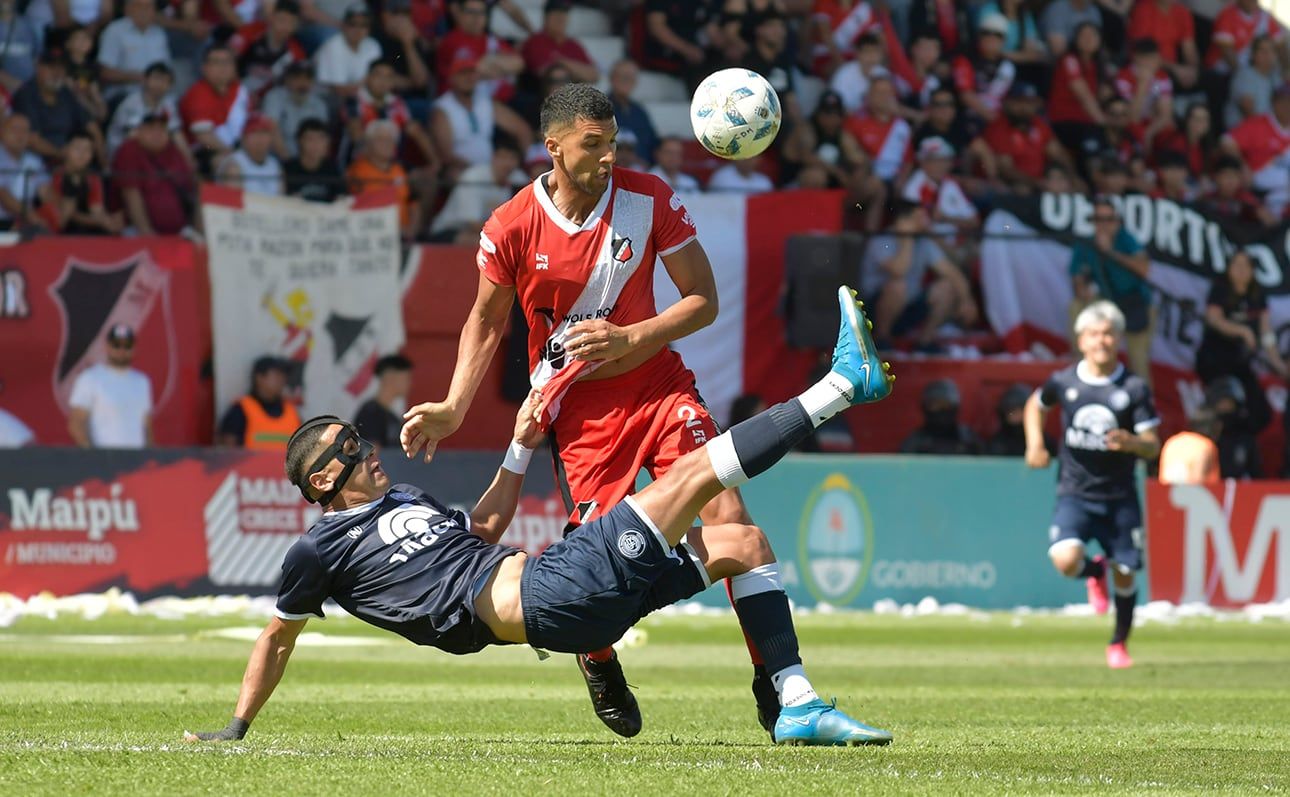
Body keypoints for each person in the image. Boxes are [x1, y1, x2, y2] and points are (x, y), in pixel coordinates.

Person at [185, 288, 897, 747]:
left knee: (743, 540)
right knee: (691, 476)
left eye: (360, 439)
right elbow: (277, 638)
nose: (368, 451)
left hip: (561, 595)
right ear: (322, 480)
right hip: (553, 594)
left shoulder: (405, 501)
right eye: (350, 449)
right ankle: (840, 386)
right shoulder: (319, 548)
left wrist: (522, 442)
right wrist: (237, 726)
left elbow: (482, 532)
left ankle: (793, 700)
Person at [400, 83, 810, 741]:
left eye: (613, 142)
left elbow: (703, 299)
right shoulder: (510, 225)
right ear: (553, 147)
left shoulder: (649, 198)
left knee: (730, 517)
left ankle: (777, 681)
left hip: (660, 387)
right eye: (593, 144)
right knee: (595, 566)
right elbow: (485, 320)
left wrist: (631, 337)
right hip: (580, 411)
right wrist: (453, 406)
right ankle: (596, 656)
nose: (608, 156)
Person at [1023, 300, 1160, 669]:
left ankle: (1118, 644)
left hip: (1120, 497)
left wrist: (1132, 443)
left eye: (1108, 334)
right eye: (1094, 334)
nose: (1102, 341)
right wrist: (1035, 443)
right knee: (1065, 560)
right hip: (1075, 492)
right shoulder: (1064, 381)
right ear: (1081, 340)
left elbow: (1153, 445)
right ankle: (1093, 571)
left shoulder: (1133, 388)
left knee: (1126, 574)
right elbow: (1036, 405)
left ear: (1118, 339)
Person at [860, 201, 978, 352]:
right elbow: (899, 271)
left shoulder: (923, 241)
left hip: (910, 307)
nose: (925, 222)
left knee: (947, 287)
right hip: (875, 312)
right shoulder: (881, 241)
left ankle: (924, 342)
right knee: (897, 286)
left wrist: (966, 300)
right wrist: (906, 239)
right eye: (919, 217)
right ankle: (881, 340)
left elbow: (952, 273)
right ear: (903, 221)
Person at [1068, 197, 1153, 387]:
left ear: (1117, 221)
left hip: (1135, 304)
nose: (1104, 224)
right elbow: (1077, 280)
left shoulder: (1126, 239)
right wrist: (1083, 290)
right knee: (1076, 307)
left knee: (1138, 359)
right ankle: (1080, 373)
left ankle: (1143, 399)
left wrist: (1110, 252)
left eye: (1109, 219)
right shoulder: (1086, 244)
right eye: (1099, 219)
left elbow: (1144, 269)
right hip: (1106, 305)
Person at [430, 54, 532, 183]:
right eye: (463, 73)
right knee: (464, 177)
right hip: (462, 169)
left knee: (521, 180)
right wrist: (478, 169)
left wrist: (520, 162)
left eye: (472, 73)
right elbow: (445, 154)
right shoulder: (443, 108)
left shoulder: (485, 102)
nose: (468, 78)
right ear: (452, 78)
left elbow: (522, 130)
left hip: (493, 168)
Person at [67, 324, 153, 449]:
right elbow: (76, 424)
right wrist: (94, 456)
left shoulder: (142, 382)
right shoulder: (90, 378)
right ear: (107, 347)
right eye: (116, 345)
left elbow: (147, 427)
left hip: (137, 459)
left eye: (127, 346)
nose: (121, 350)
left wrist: (149, 456)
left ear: (134, 348)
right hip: (105, 458)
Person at [110, 112, 196, 236]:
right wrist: (147, 233)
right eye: (150, 128)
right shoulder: (129, 149)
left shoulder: (173, 151)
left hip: (180, 233)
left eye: (162, 129)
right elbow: (131, 194)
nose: (157, 133)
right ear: (138, 132)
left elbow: (192, 188)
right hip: (139, 233)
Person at [11, 51, 103, 163]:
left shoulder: (66, 93)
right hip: (37, 160)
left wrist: (105, 166)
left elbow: (93, 129)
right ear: (38, 67)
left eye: (61, 68)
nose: (57, 73)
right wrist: (61, 155)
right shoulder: (26, 94)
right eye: (51, 67)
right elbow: (32, 139)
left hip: (72, 158)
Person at [983, 82, 1072, 194]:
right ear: (1008, 103)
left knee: (1070, 187)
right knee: (1022, 190)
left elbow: (1058, 154)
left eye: (1029, 102)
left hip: (1043, 183)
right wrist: (1037, 183)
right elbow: (1006, 170)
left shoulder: (1038, 124)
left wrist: (1073, 178)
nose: (1024, 107)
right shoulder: (999, 128)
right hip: (1013, 185)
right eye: (1019, 102)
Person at [429, 141, 525, 243]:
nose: (507, 163)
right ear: (493, 158)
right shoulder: (473, 178)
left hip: (489, 232)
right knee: (487, 243)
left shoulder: (518, 178)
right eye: (503, 157)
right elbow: (473, 225)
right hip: (449, 230)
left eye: (512, 158)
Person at [1220, 84, 1290, 220]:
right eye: (1284, 102)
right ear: (1274, 103)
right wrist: (1243, 166)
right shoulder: (1258, 124)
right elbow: (1226, 142)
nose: (1287, 107)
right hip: (1260, 191)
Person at [179, 45, 250, 167]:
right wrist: (234, 154)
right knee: (232, 166)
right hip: (206, 150)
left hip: (238, 147)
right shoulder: (197, 94)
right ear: (204, 68)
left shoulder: (239, 89)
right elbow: (204, 138)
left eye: (227, 62)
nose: (223, 67)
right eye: (216, 62)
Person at [347, 119, 420, 237]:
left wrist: (411, 230)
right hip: (371, 235)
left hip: (403, 236)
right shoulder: (357, 171)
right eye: (380, 139)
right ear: (368, 144)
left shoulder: (402, 170)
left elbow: (414, 204)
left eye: (390, 140)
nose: (387, 144)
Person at [39, 130, 120, 234]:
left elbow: (97, 209)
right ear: (66, 150)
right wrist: (101, 222)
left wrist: (109, 221)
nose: (82, 154)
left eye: (87, 150)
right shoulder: (54, 175)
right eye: (77, 148)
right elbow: (67, 213)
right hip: (57, 231)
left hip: (86, 232)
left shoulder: (93, 178)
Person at [217, 356, 302, 450]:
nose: (282, 380)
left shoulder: (292, 412)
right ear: (259, 378)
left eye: (284, 376)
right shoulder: (240, 411)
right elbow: (227, 452)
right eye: (277, 375)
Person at [95, 0, 171, 102]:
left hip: (157, 97)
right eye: (139, 6)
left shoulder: (159, 34)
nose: (144, 11)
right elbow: (104, 73)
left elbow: (167, 70)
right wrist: (139, 78)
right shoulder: (114, 31)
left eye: (149, 6)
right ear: (128, 9)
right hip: (123, 95)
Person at [105, 62, 182, 157]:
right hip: (122, 153)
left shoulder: (168, 104)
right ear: (145, 80)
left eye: (165, 81)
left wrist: (189, 161)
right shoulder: (131, 103)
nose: (159, 84)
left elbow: (176, 134)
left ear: (170, 85)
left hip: (150, 151)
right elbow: (132, 136)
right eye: (156, 79)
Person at [261, 62, 331, 160]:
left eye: (307, 79)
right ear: (287, 80)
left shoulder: (319, 104)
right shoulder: (275, 97)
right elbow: (271, 129)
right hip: (278, 158)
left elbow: (322, 138)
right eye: (297, 78)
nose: (303, 83)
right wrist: (288, 160)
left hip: (309, 161)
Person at [520, 0, 598, 86]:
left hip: (570, 92)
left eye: (563, 15)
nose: (561, 19)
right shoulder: (536, 41)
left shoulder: (574, 45)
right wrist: (577, 71)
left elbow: (593, 76)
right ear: (546, 17)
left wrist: (563, 62)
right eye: (556, 16)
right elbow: (545, 73)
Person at [314, 3, 382, 99]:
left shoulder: (373, 45)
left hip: (360, 98)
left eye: (364, 25)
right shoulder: (333, 46)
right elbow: (340, 91)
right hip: (326, 99)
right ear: (344, 26)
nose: (358, 29)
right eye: (353, 24)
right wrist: (370, 81)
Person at [899, 379, 983, 455]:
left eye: (946, 405)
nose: (942, 410)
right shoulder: (914, 443)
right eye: (936, 406)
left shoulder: (969, 440)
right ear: (925, 408)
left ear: (955, 407)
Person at [1204, 376, 1263, 479]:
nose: (1225, 408)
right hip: (1209, 486)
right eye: (1221, 403)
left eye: (1229, 403)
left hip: (1239, 487)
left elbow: (1256, 475)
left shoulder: (1245, 439)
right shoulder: (1203, 438)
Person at [0, 114, 49, 232]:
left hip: (24, 224)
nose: (20, 135)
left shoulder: (34, 160)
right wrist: (33, 218)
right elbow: (3, 194)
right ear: (2, 132)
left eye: (24, 131)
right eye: (14, 129)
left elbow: (46, 193)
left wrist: (55, 216)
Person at [353, 354, 413, 448]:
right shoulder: (370, 414)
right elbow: (372, 452)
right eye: (406, 378)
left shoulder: (393, 418)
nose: (409, 383)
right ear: (390, 377)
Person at [606, 60, 658, 168]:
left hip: (641, 170)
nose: (626, 81)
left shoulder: (640, 112)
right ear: (612, 78)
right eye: (623, 77)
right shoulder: (599, 108)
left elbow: (653, 145)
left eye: (631, 78)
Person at [1224, 34, 1279, 129]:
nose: (1268, 55)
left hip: (1268, 131)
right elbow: (1249, 112)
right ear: (1253, 54)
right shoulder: (1245, 75)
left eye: (1271, 50)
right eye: (1263, 51)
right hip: (1243, 131)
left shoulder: (1276, 76)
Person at [1158, 404, 1221, 485]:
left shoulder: (1172, 442)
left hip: (1166, 492)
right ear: (1217, 427)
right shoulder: (1206, 446)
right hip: (1192, 491)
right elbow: (1199, 482)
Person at [285, 118, 344, 202]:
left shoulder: (333, 168)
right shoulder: (288, 169)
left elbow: (341, 199)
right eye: (310, 139)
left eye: (321, 138)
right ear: (299, 141)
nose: (316, 144)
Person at [226, 114, 284, 196]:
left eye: (264, 132)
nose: (260, 138)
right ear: (244, 138)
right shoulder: (234, 164)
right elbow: (233, 199)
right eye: (254, 132)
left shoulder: (275, 165)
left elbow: (281, 198)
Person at [984, 383, 1041, 457]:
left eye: (1022, 411)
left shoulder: (1043, 442)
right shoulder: (998, 445)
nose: (1017, 416)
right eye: (1012, 412)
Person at [707, 155, 774, 195]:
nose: (748, 160)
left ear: (759, 159)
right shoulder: (722, 176)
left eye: (752, 157)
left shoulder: (765, 182)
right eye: (744, 156)